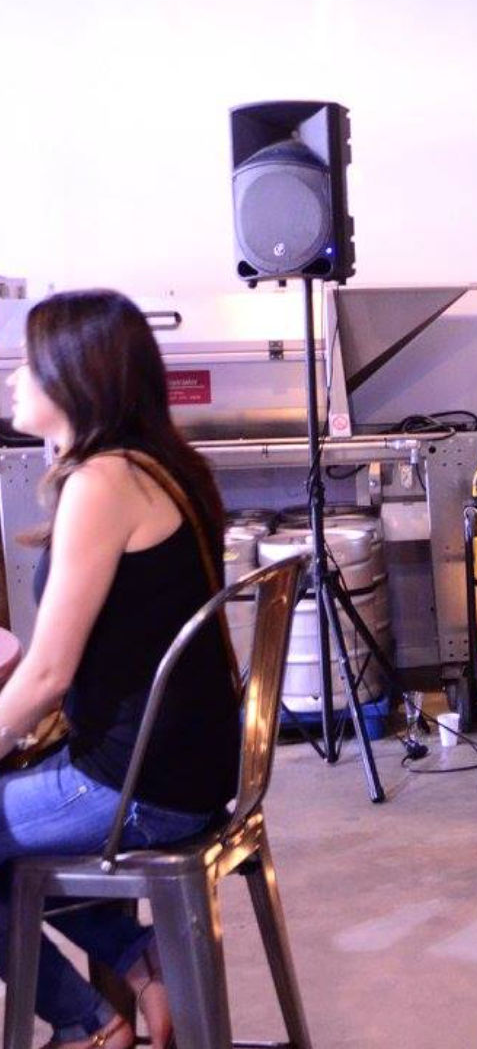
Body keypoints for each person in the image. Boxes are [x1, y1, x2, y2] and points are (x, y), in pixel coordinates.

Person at [0, 289, 239, 1049]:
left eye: (30, 364)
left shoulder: (101, 485)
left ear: (75, 377)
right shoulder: (157, 464)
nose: (13, 376)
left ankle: (88, 1024)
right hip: (182, 768)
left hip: (141, 787)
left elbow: (44, 677)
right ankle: (141, 970)